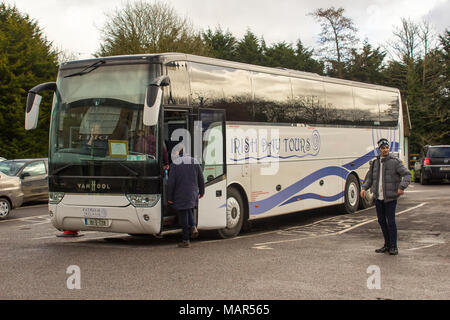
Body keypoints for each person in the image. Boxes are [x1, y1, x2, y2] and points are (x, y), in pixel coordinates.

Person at [361, 138, 411, 255]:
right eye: (383, 148)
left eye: (387, 148)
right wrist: (364, 188)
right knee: (381, 221)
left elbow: (407, 174)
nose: (385, 150)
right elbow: (370, 179)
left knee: (391, 221)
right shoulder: (375, 163)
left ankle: (394, 246)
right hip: (379, 197)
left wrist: (401, 187)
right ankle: (387, 244)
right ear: (379, 149)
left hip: (390, 197)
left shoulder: (395, 162)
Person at [167, 150, 205, 248]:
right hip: (192, 193)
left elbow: (171, 182)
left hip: (180, 194)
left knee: (183, 216)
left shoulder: (175, 164)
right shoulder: (195, 161)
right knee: (189, 210)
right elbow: (201, 178)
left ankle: (185, 240)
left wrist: (170, 197)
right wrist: (202, 192)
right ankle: (193, 226)